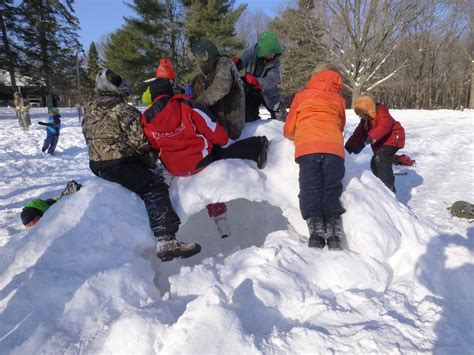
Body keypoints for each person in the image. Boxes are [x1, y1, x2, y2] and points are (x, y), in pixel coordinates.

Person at [82, 68, 201, 262]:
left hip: (97, 163)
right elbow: (141, 141)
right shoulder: (123, 109)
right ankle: (166, 240)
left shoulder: (89, 107)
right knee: (154, 187)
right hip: (119, 163)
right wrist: (152, 157)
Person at [141, 78, 269, 238]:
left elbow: (153, 144)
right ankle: (256, 146)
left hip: (173, 167)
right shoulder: (185, 106)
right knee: (219, 159)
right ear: (170, 91)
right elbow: (211, 127)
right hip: (199, 161)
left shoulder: (146, 118)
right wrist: (224, 142)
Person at [283, 64, 347, 250]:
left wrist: (300, 135)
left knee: (311, 187)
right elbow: (340, 125)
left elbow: (289, 129)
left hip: (308, 148)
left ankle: (316, 230)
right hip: (334, 148)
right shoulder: (339, 99)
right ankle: (333, 231)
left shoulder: (302, 96)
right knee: (331, 188)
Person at [345, 95, 405, 193]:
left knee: (381, 159)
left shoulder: (382, 113)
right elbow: (357, 135)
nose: (360, 116)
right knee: (374, 163)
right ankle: (380, 188)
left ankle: (388, 189)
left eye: (362, 114)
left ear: (369, 111)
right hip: (381, 144)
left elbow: (384, 126)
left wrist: (369, 138)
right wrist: (348, 148)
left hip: (393, 139)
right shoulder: (366, 121)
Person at [190, 38, 245, 140]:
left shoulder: (224, 63)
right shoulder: (213, 70)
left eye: (196, 60)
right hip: (221, 125)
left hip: (230, 128)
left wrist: (199, 103)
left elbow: (221, 87)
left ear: (205, 56)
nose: (196, 64)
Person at [233, 31, 286, 122]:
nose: (272, 55)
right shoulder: (250, 52)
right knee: (248, 118)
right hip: (250, 91)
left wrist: (257, 82)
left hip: (268, 92)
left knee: (281, 117)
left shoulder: (274, 61)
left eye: (274, 53)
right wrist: (236, 63)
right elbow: (241, 62)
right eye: (270, 53)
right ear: (263, 50)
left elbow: (272, 79)